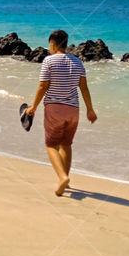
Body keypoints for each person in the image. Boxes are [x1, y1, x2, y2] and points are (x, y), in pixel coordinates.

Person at [27, 29, 97, 196]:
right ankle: (65, 179)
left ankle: (63, 177)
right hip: (73, 110)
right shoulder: (78, 62)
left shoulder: (49, 61)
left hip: (55, 109)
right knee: (66, 144)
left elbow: (43, 86)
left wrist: (33, 106)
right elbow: (84, 88)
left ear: (52, 44)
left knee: (51, 145)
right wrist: (90, 109)